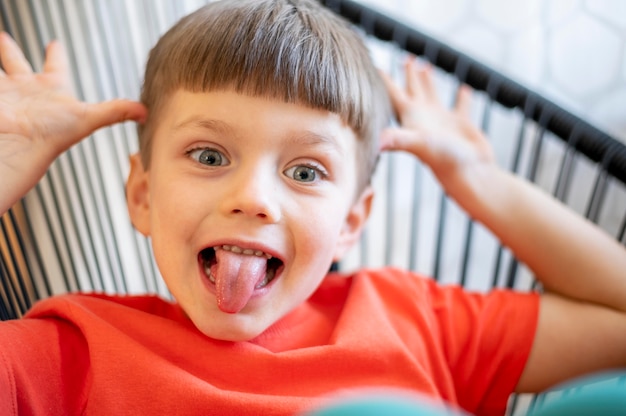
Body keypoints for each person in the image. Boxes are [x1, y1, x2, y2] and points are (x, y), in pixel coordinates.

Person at [0, 0, 625, 415]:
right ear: (141, 194)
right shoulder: (71, 354)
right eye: (210, 156)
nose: (252, 198)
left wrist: (482, 184)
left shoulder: (413, 322)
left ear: (352, 221)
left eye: (304, 171)